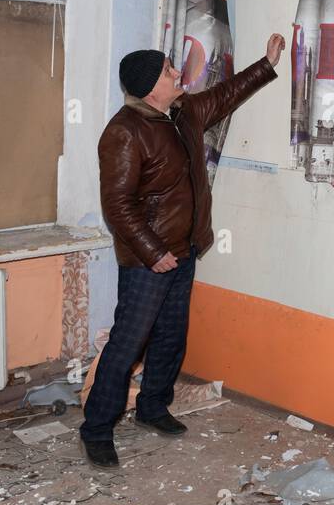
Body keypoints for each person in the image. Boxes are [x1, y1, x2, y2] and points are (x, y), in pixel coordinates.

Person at [80, 33, 285, 468]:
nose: (178, 73)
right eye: (169, 70)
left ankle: (153, 407)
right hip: (148, 260)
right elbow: (117, 205)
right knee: (127, 344)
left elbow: (226, 95)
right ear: (151, 86)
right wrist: (154, 252)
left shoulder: (183, 112)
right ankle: (96, 429)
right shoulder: (123, 132)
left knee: (172, 337)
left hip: (185, 249)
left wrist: (265, 63)